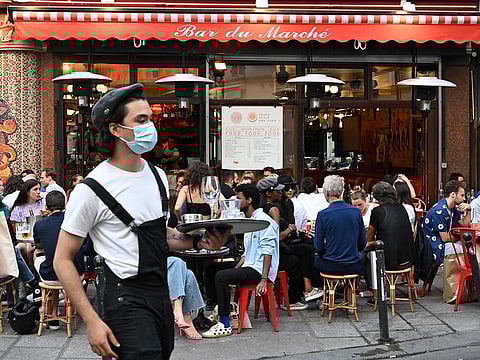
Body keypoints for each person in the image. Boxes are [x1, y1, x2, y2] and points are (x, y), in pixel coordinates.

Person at [54, 84, 229, 359]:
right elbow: (62, 259)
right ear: (115, 129)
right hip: (124, 297)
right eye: (141, 120)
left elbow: (159, 235)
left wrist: (199, 241)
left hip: (161, 292)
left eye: (150, 119)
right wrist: (91, 321)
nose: (151, 127)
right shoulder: (92, 188)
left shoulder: (158, 175)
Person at [202, 184, 279, 338]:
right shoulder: (251, 220)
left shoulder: (264, 221)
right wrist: (237, 267)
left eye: (239, 198)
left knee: (221, 277)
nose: (236, 201)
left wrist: (264, 279)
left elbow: (268, 252)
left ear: (249, 200)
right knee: (212, 270)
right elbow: (248, 253)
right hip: (250, 264)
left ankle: (224, 323)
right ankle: (220, 309)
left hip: (259, 270)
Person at [258, 178, 320, 309]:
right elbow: (275, 236)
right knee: (305, 252)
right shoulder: (273, 209)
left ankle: (307, 289)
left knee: (309, 246)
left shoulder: (285, 205)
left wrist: (295, 232)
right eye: (280, 190)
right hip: (278, 248)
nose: (283, 192)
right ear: (268, 193)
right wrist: (289, 230)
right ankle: (306, 290)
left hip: (283, 245)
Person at [33, 191, 84, 330]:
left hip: (51, 275)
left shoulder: (40, 225)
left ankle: (52, 313)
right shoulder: (76, 221)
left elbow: (38, 244)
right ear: (65, 204)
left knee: (38, 254)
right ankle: (60, 312)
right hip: (76, 273)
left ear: (47, 206)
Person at [314, 175, 366, 275]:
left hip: (331, 264)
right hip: (354, 264)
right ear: (341, 192)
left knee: (314, 259)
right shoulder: (356, 211)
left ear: (326, 192)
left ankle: (318, 288)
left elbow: (318, 247)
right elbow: (362, 243)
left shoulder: (323, 215)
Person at [367, 182, 416, 271]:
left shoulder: (377, 211)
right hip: (408, 258)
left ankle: (373, 283)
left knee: (365, 255)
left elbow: (369, 237)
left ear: (376, 197)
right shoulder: (402, 208)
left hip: (388, 260)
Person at [423, 180, 470, 265]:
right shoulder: (440, 210)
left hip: (443, 242)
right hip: (434, 246)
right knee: (465, 248)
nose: (464, 198)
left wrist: (469, 209)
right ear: (453, 195)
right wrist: (460, 237)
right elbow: (445, 238)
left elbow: (464, 224)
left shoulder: (452, 208)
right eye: (462, 195)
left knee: (467, 245)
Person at [167, 256, 204, 340]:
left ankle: (183, 315)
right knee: (177, 262)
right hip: (140, 266)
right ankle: (183, 315)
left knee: (188, 274)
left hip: (160, 263)